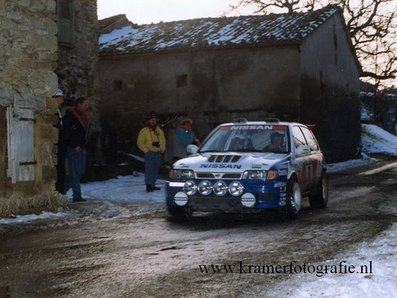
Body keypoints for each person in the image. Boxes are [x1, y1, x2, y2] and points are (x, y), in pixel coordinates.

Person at [63, 97, 90, 202]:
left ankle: (62, 190)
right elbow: (66, 132)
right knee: (74, 171)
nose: (86, 107)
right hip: (73, 148)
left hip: (82, 147)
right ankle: (77, 195)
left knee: (80, 171)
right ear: (79, 104)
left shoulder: (84, 116)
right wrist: (74, 145)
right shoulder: (70, 116)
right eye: (85, 105)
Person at [137, 112, 166, 192]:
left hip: (158, 153)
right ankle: (149, 185)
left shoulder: (159, 131)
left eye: (154, 120)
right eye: (151, 120)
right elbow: (140, 143)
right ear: (148, 121)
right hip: (149, 153)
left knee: (156, 169)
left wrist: (162, 149)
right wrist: (146, 151)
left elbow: (163, 141)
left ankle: (153, 184)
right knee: (149, 169)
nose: (153, 122)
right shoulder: (144, 131)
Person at [53, 89, 67, 194]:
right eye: (61, 98)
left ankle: (60, 190)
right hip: (56, 146)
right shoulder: (54, 112)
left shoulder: (58, 111)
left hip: (60, 146)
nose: (62, 101)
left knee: (61, 169)